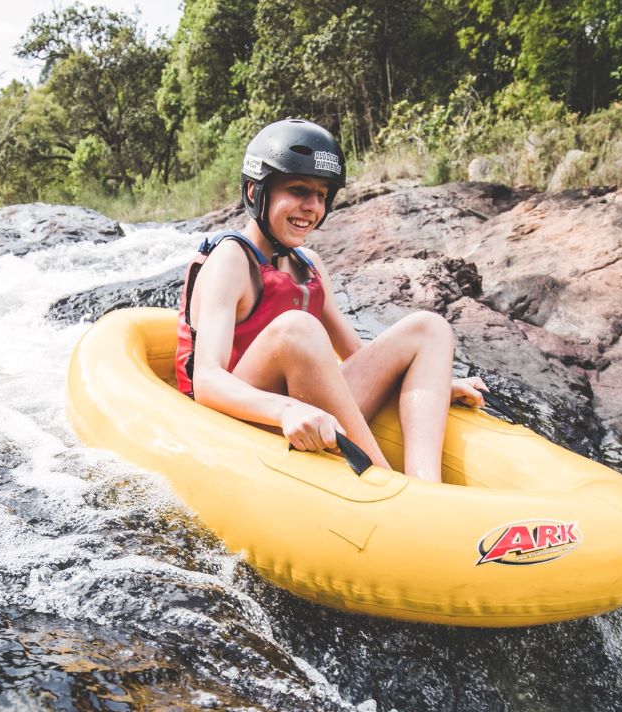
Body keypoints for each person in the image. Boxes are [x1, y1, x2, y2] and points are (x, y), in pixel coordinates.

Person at [175, 118, 487, 482]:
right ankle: (387, 484)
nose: (312, 207)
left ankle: (426, 484)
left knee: (429, 328)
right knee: (297, 328)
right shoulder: (230, 260)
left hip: (299, 406)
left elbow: (358, 356)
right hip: (241, 419)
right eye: (298, 190)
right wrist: (285, 410)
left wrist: (428, 384)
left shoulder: (310, 265)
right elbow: (208, 381)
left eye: (321, 195)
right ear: (253, 193)